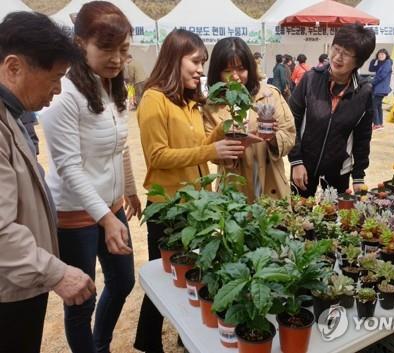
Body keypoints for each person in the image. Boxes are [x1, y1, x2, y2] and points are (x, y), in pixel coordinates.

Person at [134, 29, 244, 353]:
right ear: (174, 58)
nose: (200, 69)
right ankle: (148, 342)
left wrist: (220, 132)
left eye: (203, 63)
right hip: (168, 207)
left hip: (196, 204)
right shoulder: (154, 99)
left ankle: (183, 338)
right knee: (165, 281)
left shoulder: (188, 102)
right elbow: (157, 156)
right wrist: (213, 152)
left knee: (189, 277)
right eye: (195, 61)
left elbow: (195, 147)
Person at [40, 2, 140, 352]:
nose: (116, 58)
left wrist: (128, 188)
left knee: (123, 281)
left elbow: (120, 146)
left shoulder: (112, 87)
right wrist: (104, 218)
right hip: (75, 214)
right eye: (107, 49)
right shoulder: (65, 95)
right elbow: (69, 167)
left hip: (110, 208)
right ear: (81, 43)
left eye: (123, 50)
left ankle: (101, 344)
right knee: (81, 297)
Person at [0, 11, 95, 353]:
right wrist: (55, 272)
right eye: (55, 78)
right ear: (14, 67)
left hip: (19, 281)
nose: (57, 89)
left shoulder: (13, 115)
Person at [204, 37, 296, 202]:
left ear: (250, 68)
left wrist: (273, 138)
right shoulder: (212, 106)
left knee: (274, 224)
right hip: (233, 191)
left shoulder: (270, 94)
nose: (235, 77)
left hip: (271, 185)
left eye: (241, 69)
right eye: (227, 71)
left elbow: (289, 134)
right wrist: (232, 145)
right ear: (217, 73)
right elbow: (208, 149)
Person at [288, 24, 375, 197]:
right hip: (304, 166)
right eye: (336, 48)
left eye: (347, 53)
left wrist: (358, 176)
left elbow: (362, 136)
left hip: (339, 170)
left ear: (358, 61)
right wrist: (296, 161)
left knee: (335, 220)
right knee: (298, 217)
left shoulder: (363, 92)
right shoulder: (310, 79)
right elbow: (291, 122)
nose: (338, 57)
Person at [369, 48, 392, 131]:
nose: (380, 56)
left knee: (373, 105)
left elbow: (382, 76)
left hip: (381, 88)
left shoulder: (387, 63)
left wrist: (371, 82)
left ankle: (376, 124)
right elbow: (371, 69)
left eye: (382, 54)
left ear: (386, 55)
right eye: (379, 54)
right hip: (379, 88)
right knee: (378, 106)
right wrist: (374, 60)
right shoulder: (380, 63)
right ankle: (380, 123)